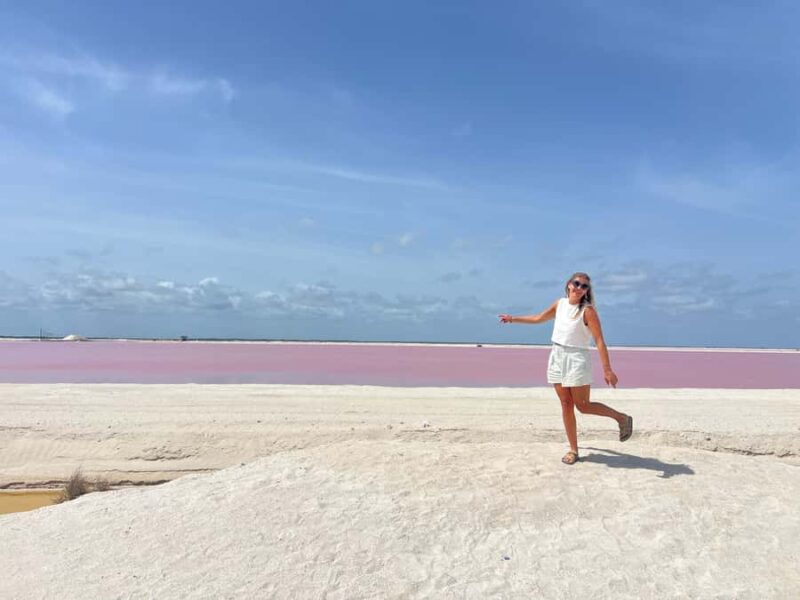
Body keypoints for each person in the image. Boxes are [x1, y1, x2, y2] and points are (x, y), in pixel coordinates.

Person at [498, 272, 633, 465]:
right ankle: (573, 450)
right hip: (557, 356)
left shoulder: (587, 311)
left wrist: (607, 369)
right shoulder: (560, 304)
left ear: (587, 291)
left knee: (583, 405)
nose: (579, 288)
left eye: (584, 286)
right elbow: (538, 318)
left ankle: (621, 418)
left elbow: (600, 341)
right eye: (576, 283)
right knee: (565, 404)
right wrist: (512, 319)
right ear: (569, 285)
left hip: (577, 359)